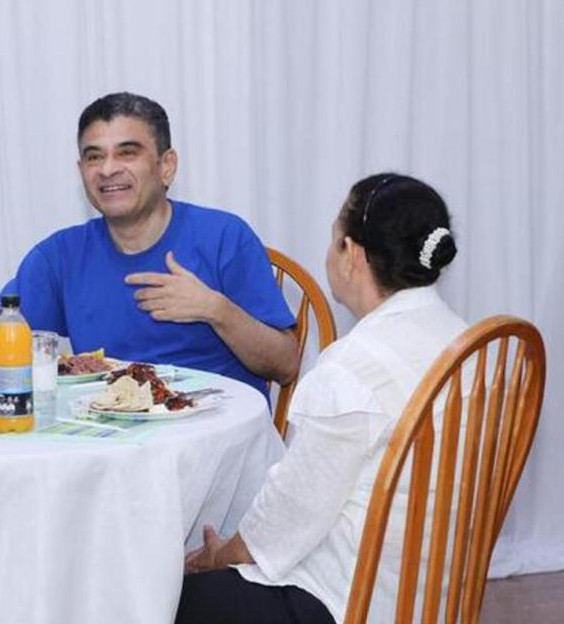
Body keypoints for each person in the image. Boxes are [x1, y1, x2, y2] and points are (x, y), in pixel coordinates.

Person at [176, 173, 465, 624]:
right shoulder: (469, 346)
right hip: (436, 592)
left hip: (354, 598)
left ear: (352, 254)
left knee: (166, 599)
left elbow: (288, 518)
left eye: (334, 238)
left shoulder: (353, 367)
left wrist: (219, 558)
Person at [4, 92, 298, 396]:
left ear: (166, 166)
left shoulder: (224, 237)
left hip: (215, 433)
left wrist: (216, 310)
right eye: (94, 157)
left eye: (127, 153)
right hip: (112, 432)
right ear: (82, 171)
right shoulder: (59, 256)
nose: (107, 170)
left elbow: (286, 364)